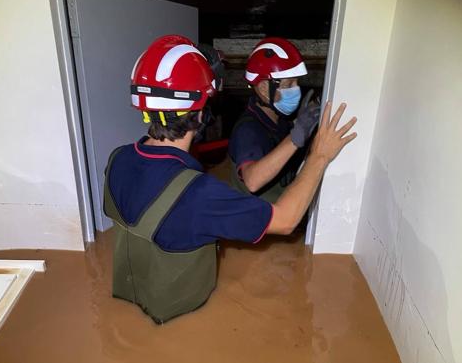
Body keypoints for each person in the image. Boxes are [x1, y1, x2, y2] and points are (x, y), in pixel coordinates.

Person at [104, 35, 357, 324]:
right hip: (185, 313)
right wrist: (320, 156)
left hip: (130, 298)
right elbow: (286, 220)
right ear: (200, 113)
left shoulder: (117, 159)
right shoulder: (199, 193)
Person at [228, 37, 321, 203]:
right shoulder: (248, 130)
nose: (296, 90)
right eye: (289, 84)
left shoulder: (280, 121)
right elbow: (252, 181)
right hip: (254, 225)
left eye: (297, 82)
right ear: (264, 88)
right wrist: (296, 136)